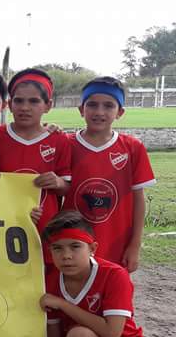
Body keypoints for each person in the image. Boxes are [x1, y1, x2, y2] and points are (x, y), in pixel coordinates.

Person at [64, 77, 156, 271]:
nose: (99, 112)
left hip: (116, 242)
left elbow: (138, 200)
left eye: (108, 105)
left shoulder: (132, 147)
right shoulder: (66, 145)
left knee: (112, 287)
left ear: (120, 112)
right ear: (81, 109)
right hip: (72, 242)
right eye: (92, 105)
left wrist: (135, 245)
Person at [0, 68, 71, 234]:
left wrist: (57, 182)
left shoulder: (59, 140)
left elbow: (67, 188)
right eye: (19, 101)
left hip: (45, 228)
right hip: (4, 225)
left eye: (34, 101)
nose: (25, 107)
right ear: (10, 105)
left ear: (48, 105)